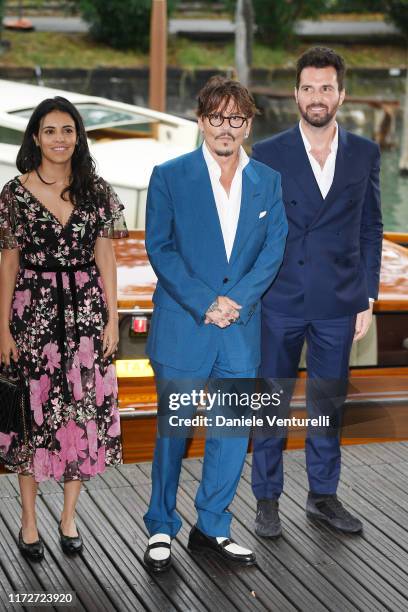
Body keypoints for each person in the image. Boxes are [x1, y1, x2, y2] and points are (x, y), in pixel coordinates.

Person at [143, 75, 288, 572]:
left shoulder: (268, 181)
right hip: (186, 325)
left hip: (240, 330)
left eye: (238, 118)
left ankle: (212, 527)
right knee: (173, 434)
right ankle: (161, 526)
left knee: (231, 433)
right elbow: (159, 248)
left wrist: (235, 302)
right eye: (218, 117)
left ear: (248, 124)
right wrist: (207, 302)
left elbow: (273, 252)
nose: (228, 128)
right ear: (202, 120)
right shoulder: (169, 175)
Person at [251, 47, 383, 537]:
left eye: (326, 87)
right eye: (308, 87)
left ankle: (322, 497)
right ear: (296, 95)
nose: (316, 96)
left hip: (338, 302)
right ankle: (267, 500)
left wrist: (367, 296)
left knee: (328, 404)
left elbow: (372, 227)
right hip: (279, 300)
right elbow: (255, 232)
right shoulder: (267, 152)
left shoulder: (365, 152)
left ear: (341, 94)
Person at [0, 96, 128, 561]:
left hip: (85, 319)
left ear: (78, 136)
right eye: (50, 130)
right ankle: (28, 521)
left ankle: (69, 518)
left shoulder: (97, 192)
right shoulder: (14, 194)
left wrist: (112, 319)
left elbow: (106, 259)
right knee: (31, 421)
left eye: (67, 130)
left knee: (79, 415)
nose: (59, 139)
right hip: (31, 317)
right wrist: (3, 330)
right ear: (35, 136)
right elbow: (8, 263)